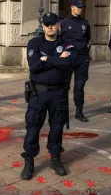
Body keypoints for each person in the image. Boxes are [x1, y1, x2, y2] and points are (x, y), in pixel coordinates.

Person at [21, 12, 74, 180]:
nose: (50, 27)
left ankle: (55, 158)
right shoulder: (34, 43)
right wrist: (57, 59)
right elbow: (34, 66)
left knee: (57, 127)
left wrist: (47, 59)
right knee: (33, 127)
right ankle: (29, 161)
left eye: (53, 23)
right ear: (43, 26)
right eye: (47, 24)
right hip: (39, 93)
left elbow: (68, 64)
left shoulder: (66, 44)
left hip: (58, 93)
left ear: (58, 24)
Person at [59, 0, 91, 122]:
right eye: (77, 7)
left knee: (80, 86)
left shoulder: (85, 23)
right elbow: (59, 40)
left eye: (81, 7)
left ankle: (79, 111)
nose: (80, 9)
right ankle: (63, 110)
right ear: (72, 7)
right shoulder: (64, 22)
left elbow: (88, 37)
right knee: (64, 85)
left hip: (82, 57)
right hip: (68, 57)